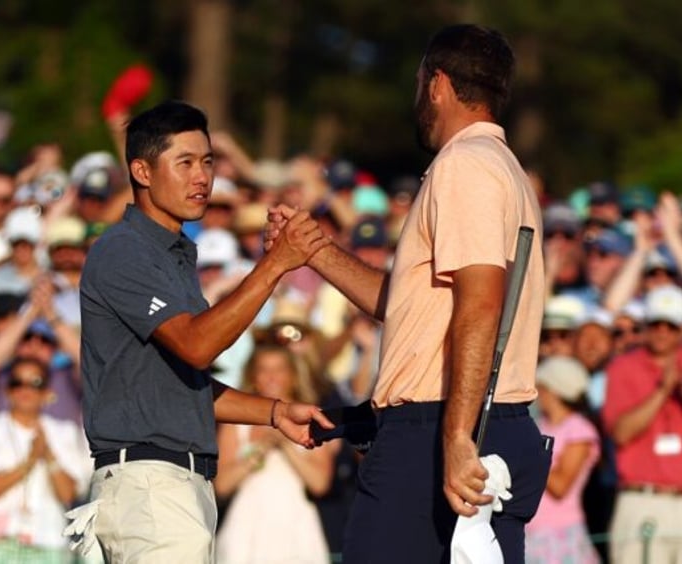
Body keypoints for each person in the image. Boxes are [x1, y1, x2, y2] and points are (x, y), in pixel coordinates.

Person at [268, 24, 550, 564]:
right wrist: (315, 250)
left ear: (437, 83)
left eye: (421, 80)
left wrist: (456, 437)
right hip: (469, 423)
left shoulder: (465, 166)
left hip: (443, 431)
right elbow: (410, 308)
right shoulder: (502, 169)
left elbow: (480, 302)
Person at [73, 100, 333, 563]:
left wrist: (274, 412)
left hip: (173, 486)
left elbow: (185, 386)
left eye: (208, 161)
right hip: (151, 485)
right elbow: (198, 346)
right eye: (186, 162)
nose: (202, 177)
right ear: (142, 171)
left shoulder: (173, 255)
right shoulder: (124, 251)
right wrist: (276, 264)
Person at [602, 285, 682, 563]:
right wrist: (661, 391)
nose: (662, 331)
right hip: (642, 499)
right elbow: (621, 433)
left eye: (671, 326)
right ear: (646, 325)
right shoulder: (622, 367)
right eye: (656, 324)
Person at [214, 344, 333, 564]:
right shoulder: (235, 423)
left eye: (279, 369)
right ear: (253, 375)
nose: (271, 377)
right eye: (263, 369)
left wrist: (285, 445)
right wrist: (260, 450)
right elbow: (221, 485)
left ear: (294, 375)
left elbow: (319, 483)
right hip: (247, 526)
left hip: (296, 525)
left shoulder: (312, 418)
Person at [0, 356, 89, 563]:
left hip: (50, 544)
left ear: (48, 392)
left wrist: (48, 454)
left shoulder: (65, 432)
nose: (25, 389)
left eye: (35, 383)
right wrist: (28, 463)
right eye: (17, 382)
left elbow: (68, 494)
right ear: (7, 390)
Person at [525, 356, 600, 564]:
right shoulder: (538, 424)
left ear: (553, 389)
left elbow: (561, 486)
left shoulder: (579, 429)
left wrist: (531, 455)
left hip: (559, 534)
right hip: (529, 530)